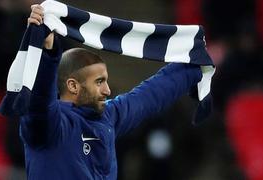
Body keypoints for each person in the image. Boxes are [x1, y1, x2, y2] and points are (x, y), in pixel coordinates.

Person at [21, 4, 203, 180]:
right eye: (99, 82)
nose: (107, 90)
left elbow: (150, 95)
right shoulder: (48, 126)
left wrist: (193, 64)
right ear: (73, 86)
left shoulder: (108, 116)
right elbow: (40, 102)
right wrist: (47, 52)